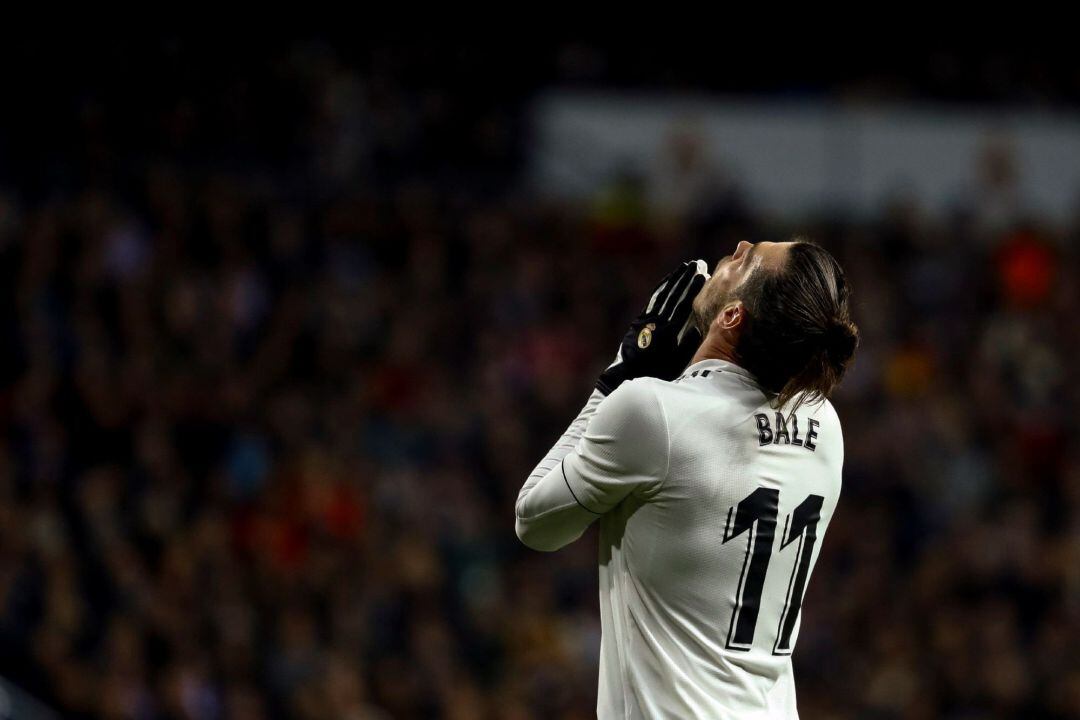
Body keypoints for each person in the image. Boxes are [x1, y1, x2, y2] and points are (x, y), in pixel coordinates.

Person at [515, 240, 859, 719]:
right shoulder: (825, 428)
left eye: (749, 259)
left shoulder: (652, 412)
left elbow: (534, 521)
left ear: (733, 316)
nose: (738, 248)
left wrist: (619, 376)